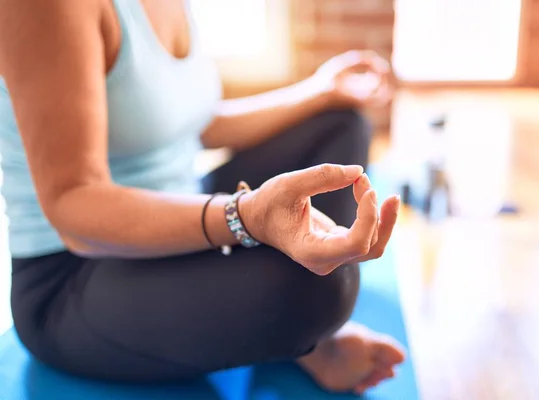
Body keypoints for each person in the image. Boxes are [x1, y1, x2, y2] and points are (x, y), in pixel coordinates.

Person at [0, 0, 405, 395]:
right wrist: (245, 216)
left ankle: (277, 330)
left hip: (181, 212)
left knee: (337, 124)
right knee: (322, 286)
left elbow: (187, 120)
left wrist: (320, 91)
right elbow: (74, 204)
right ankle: (311, 344)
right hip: (75, 276)